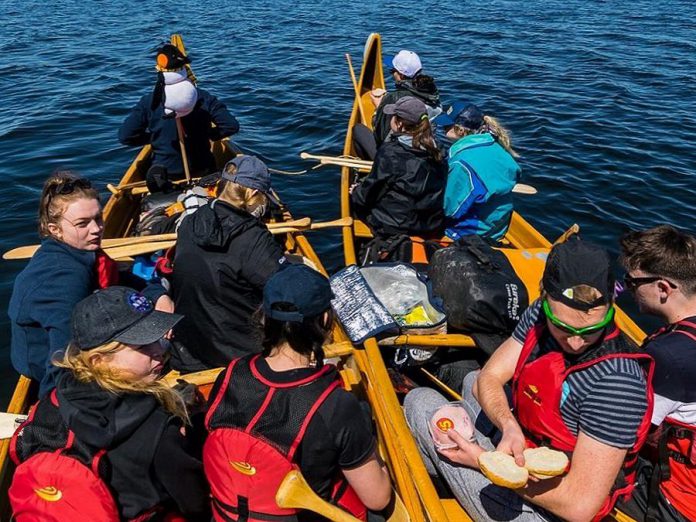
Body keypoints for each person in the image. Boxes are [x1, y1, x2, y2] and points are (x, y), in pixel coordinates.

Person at [405, 238, 653, 521]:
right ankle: (448, 458)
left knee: (420, 401)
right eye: (561, 326)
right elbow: (489, 377)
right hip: (527, 444)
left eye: (590, 330)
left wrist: (480, 461)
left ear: (610, 305)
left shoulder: (617, 384)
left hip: (553, 508)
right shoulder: (539, 314)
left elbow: (579, 507)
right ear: (546, 298)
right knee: (472, 379)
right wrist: (508, 425)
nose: (574, 342)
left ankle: (441, 464)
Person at [203, 264, 392, 520]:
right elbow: (377, 498)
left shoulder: (233, 373)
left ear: (265, 318)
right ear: (326, 320)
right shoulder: (336, 405)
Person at [9, 286, 210, 521]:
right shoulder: (158, 429)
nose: (160, 350)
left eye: (156, 338)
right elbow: (194, 503)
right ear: (99, 359)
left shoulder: (55, 397)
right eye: (143, 345)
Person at [8, 172, 170, 396]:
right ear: (54, 229)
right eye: (82, 223)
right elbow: (61, 362)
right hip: (51, 365)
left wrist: (157, 293)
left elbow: (123, 278)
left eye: (99, 218)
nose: (96, 229)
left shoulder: (82, 250)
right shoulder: (61, 279)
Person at [170, 155, 287, 371]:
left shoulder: (189, 222)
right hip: (239, 357)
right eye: (263, 198)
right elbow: (286, 291)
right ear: (252, 194)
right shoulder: (253, 239)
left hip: (188, 351)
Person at [618, 225, 696, 522]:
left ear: (663, 288)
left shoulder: (669, 356)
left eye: (632, 282)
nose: (627, 288)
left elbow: (622, 433)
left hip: (675, 504)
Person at [118, 43, 239, 181]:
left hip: (165, 175)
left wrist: (154, 138)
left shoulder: (149, 102)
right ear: (184, 69)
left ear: (159, 70)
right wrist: (210, 134)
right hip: (204, 170)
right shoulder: (204, 97)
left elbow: (125, 137)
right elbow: (231, 126)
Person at [351, 96, 446, 261]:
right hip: (431, 224)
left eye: (393, 117)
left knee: (356, 200)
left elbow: (371, 190)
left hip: (396, 226)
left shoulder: (391, 152)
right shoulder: (439, 150)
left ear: (400, 124)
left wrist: (357, 192)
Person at [435, 100, 521, 241]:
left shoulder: (461, 163)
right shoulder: (500, 148)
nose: (442, 128)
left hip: (471, 233)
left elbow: (450, 210)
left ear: (460, 130)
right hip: (498, 228)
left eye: (447, 125)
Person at [353, 49, 441, 160]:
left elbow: (380, 136)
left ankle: (372, 167)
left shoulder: (394, 98)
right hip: (424, 147)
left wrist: (378, 108)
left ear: (401, 76)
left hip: (395, 154)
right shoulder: (432, 94)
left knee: (358, 130)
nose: (392, 73)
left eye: (392, 71)